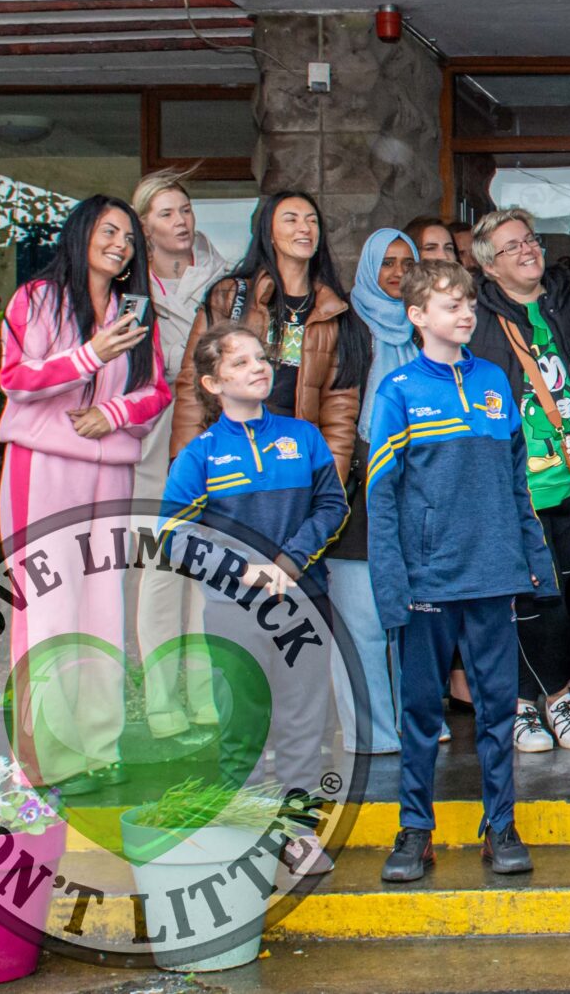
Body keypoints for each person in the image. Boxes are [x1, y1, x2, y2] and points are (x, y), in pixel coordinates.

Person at [367, 260, 557, 883]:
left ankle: (499, 825)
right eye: (451, 305)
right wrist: (393, 587)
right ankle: (414, 830)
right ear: (417, 316)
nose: (466, 312)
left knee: (498, 711)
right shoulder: (398, 391)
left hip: (493, 575)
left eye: (469, 301)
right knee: (421, 713)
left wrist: (535, 563)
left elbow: (516, 483)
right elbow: (381, 496)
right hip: (427, 581)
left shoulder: (497, 380)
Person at [0, 195, 167, 788]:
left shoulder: (135, 311)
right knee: (45, 607)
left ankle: (98, 750)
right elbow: (16, 377)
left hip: (110, 472)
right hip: (43, 465)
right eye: (109, 230)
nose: (120, 243)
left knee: (103, 608)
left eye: (128, 238)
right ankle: (43, 759)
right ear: (81, 233)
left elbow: (157, 390)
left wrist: (114, 413)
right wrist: (90, 355)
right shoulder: (34, 300)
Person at [161, 324, 347, 842]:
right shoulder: (198, 455)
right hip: (233, 610)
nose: (257, 367)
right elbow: (172, 537)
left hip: (303, 601)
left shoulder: (303, 437)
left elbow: (333, 506)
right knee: (241, 727)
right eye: (239, 363)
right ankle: (239, 840)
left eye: (260, 358)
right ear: (213, 383)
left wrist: (286, 565)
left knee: (305, 725)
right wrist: (245, 572)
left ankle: (298, 835)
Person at [468, 209, 570, 755]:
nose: (527, 250)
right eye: (510, 246)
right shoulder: (477, 321)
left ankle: (536, 698)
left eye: (530, 240)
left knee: (566, 593)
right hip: (517, 486)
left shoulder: (568, 307)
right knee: (529, 592)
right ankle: (543, 701)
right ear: (489, 267)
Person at [129, 169, 231, 741]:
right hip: (150, 436)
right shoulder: (129, 289)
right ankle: (161, 699)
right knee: (160, 569)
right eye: (166, 213)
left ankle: (206, 694)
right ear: (144, 225)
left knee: (208, 570)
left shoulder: (223, 280)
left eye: (186, 210)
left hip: (209, 427)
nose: (181, 221)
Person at [171, 190, 365, 479]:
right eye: (291, 219)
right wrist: (183, 465)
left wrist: (330, 490)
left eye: (312, 221)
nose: (304, 228)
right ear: (269, 233)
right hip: (230, 451)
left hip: (293, 458)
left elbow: (339, 410)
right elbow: (192, 384)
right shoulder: (232, 296)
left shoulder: (334, 312)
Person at [329, 226, 417, 757]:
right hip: (358, 481)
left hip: (416, 479)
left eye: (407, 262)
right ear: (366, 267)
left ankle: (415, 722)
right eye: (386, 262)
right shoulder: (347, 327)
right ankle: (373, 733)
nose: (398, 273)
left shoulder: (423, 328)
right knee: (360, 618)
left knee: (412, 617)